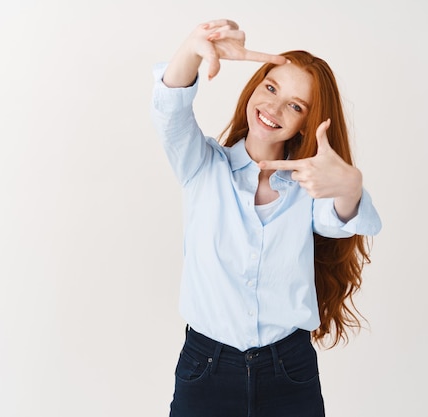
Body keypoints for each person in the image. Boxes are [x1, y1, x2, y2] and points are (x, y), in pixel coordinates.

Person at [150, 19, 382, 417]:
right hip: (205, 370)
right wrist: (192, 47)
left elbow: (340, 219)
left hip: (288, 372)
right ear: (253, 87)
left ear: (306, 123)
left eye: (295, 105)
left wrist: (349, 185)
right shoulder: (202, 166)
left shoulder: (308, 188)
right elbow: (170, 111)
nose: (273, 108)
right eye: (271, 88)